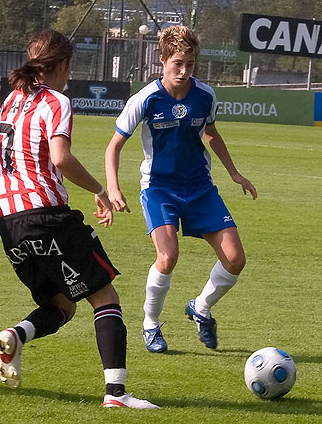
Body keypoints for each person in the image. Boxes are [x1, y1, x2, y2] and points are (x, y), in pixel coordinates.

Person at [0, 30, 158, 409]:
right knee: (104, 295)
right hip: (48, 216)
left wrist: (7, 218)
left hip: (9, 223)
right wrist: (100, 190)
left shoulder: (8, 104)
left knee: (62, 304)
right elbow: (60, 157)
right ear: (62, 65)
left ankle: (16, 335)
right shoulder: (55, 101)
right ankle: (117, 395)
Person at [105, 25, 257, 354]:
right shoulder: (144, 99)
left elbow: (211, 134)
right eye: (177, 63)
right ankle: (150, 324)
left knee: (235, 259)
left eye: (190, 64)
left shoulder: (205, 95)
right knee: (167, 256)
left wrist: (235, 173)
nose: (184, 71)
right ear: (162, 60)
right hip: (159, 188)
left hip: (200, 188)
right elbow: (113, 146)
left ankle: (200, 308)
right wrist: (113, 188)